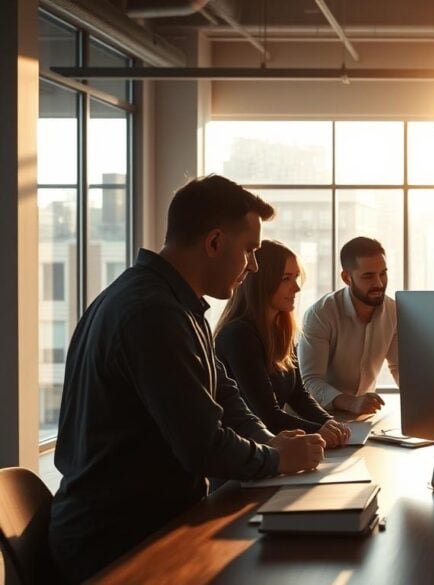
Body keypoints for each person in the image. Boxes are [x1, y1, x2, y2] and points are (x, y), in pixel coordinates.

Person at [49, 175, 326, 583]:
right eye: (249, 251)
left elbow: (227, 399)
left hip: (146, 524)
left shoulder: (176, 306)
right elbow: (204, 447)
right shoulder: (153, 314)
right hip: (116, 544)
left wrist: (270, 442)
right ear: (214, 242)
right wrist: (278, 459)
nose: (252, 266)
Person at [215, 240, 350, 447]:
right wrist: (320, 431)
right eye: (286, 279)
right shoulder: (239, 335)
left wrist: (330, 423)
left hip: (271, 449)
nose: (296, 287)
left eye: (296, 278)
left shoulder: (280, 331)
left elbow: (299, 396)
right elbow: (267, 415)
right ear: (262, 282)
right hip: (246, 455)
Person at [298, 237, 399, 415]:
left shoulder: (394, 312)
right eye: (368, 276)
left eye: (383, 273)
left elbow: (399, 367)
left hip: (361, 420)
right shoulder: (320, 314)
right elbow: (310, 382)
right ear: (347, 278)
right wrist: (351, 403)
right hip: (316, 419)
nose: (379, 283)